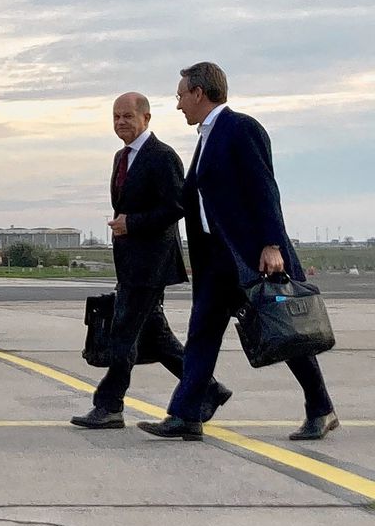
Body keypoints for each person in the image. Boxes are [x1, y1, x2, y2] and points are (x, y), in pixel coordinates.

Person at [140, 63, 339, 441]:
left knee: (283, 332)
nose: (179, 104)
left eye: (181, 95)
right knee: (202, 332)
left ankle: (321, 408)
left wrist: (272, 244)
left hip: (249, 254)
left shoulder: (240, 128)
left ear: (199, 93)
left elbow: (265, 189)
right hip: (216, 259)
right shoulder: (208, 136)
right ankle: (186, 414)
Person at [72, 93, 230, 430]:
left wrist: (133, 223)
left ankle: (109, 405)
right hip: (130, 263)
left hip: (152, 264)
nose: (120, 123)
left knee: (123, 334)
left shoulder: (162, 156)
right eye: (115, 117)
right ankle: (209, 389)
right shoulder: (121, 157)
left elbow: (177, 207)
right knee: (158, 340)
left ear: (146, 118)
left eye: (127, 116)